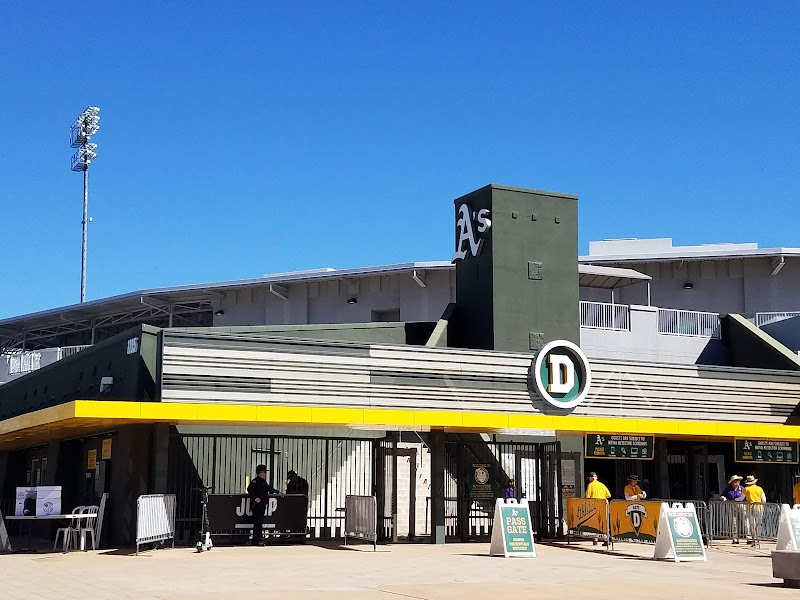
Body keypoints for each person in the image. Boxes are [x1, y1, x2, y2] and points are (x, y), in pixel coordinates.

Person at [247, 464, 280, 546]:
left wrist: (278, 492)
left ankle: (258, 540)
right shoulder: (255, 481)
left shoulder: (263, 482)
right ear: (261, 473)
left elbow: (269, 488)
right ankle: (257, 540)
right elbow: (249, 490)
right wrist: (254, 498)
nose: (265, 474)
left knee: (259, 523)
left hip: (262, 505)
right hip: (257, 506)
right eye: (264, 472)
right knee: (257, 523)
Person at [585, 472, 611, 546]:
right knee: (604, 522)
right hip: (603, 505)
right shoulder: (602, 485)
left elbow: (587, 496)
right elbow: (608, 495)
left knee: (595, 523)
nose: (589, 480)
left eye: (589, 478)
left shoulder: (590, 485)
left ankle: (595, 538)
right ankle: (606, 538)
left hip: (595, 506)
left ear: (591, 478)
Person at [720, 475, 746, 544]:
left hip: (741, 505)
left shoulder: (742, 488)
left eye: (738, 481)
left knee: (745, 521)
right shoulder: (728, 489)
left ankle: (748, 537)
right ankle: (735, 538)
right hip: (731, 505)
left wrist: (736, 500)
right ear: (732, 482)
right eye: (736, 481)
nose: (737, 482)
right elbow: (723, 495)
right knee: (733, 522)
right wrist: (723, 498)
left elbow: (743, 497)